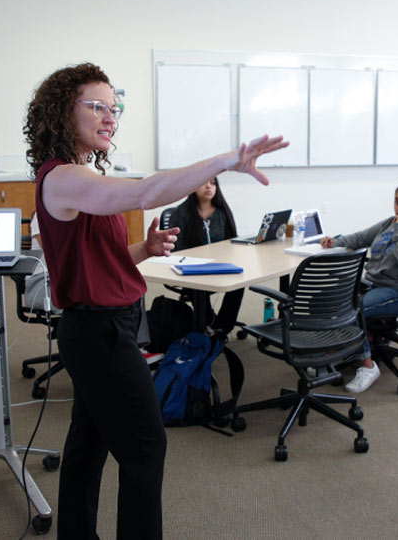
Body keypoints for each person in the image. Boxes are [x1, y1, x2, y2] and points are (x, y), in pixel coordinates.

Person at [23, 62, 287, 540]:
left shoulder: (82, 176)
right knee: (146, 449)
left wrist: (142, 251)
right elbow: (145, 191)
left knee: (88, 444)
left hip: (107, 326)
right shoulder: (61, 178)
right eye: (97, 106)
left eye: (114, 107)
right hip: (97, 332)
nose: (110, 117)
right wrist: (226, 161)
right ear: (64, 112)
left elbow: (92, 258)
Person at [320, 180, 398, 393]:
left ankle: (367, 365)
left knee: (353, 308)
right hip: (373, 284)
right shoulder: (390, 222)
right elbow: (362, 237)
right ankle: (333, 351)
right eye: (397, 201)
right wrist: (336, 242)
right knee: (327, 297)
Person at [167, 177, 244, 335]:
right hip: (191, 268)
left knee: (239, 283)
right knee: (197, 286)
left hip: (219, 265)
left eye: (213, 183)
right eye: (204, 183)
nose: (209, 187)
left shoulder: (222, 212)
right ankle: (208, 321)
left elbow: (231, 243)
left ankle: (223, 325)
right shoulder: (181, 213)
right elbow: (176, 248)